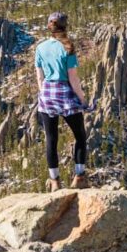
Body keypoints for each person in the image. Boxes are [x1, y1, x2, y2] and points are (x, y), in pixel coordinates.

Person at [35, 12, 92, 190]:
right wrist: (83, 101)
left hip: (47, 93)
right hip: (65, 93)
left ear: (49, 26)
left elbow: (39, 78)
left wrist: (44, 95)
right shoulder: (68, 47)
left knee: (51, 139)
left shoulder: (40, 47)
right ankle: (79, 177)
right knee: (80, 135)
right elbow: (73, 79)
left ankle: (54, 181)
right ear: (65, 26)